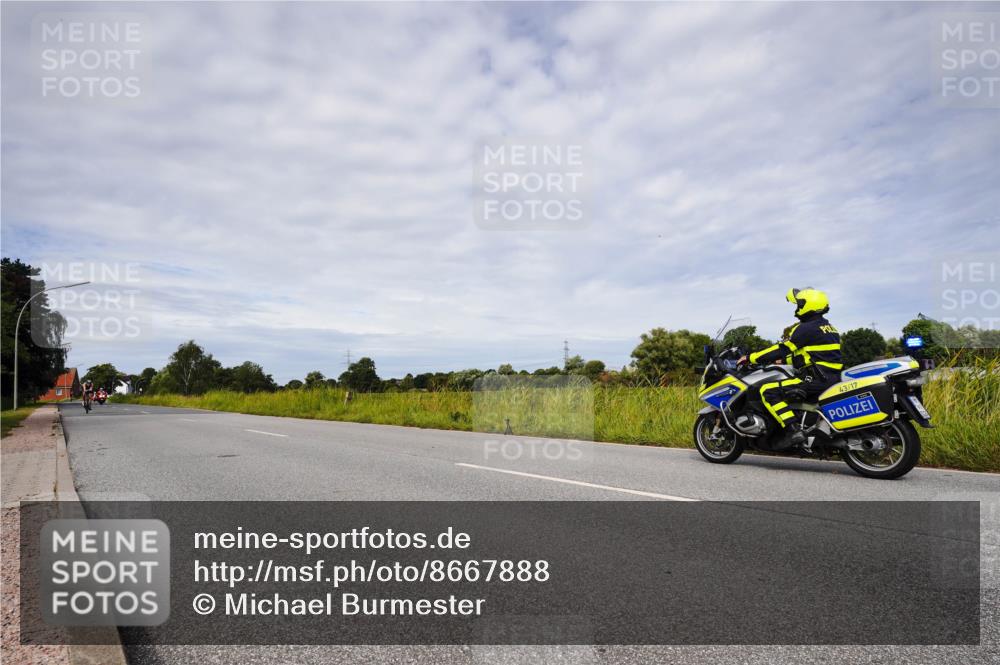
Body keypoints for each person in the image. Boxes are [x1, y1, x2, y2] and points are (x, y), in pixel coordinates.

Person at [740, 288, 843, 447]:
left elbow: (782, 348)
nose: (797, 308)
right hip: (832, 377)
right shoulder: (829, 328)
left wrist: (750, 358)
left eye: (799, 304)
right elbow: (808, 354)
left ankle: (793, 430)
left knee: (768, 391)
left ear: (808, 304)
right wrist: (781, 361)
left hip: (815, 379)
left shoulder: (806, 328)